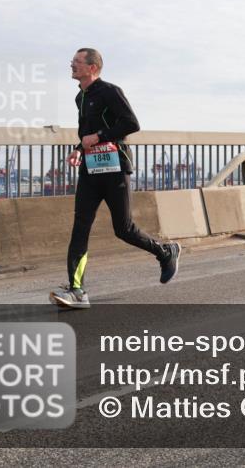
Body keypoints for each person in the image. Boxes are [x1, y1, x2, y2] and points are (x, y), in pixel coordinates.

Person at [51, 49, 181, 309]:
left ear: (92, 67)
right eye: (73, 61)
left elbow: (131, 124)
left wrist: (99, 137)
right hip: (90, 170)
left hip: (115, 168)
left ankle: (165, 252)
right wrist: (78, 150)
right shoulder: (81, 97)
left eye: (77, 61)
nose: (71, 64)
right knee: (80, 227)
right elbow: (85, 136)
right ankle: (77, 291)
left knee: (124, 229)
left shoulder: (110, 91)